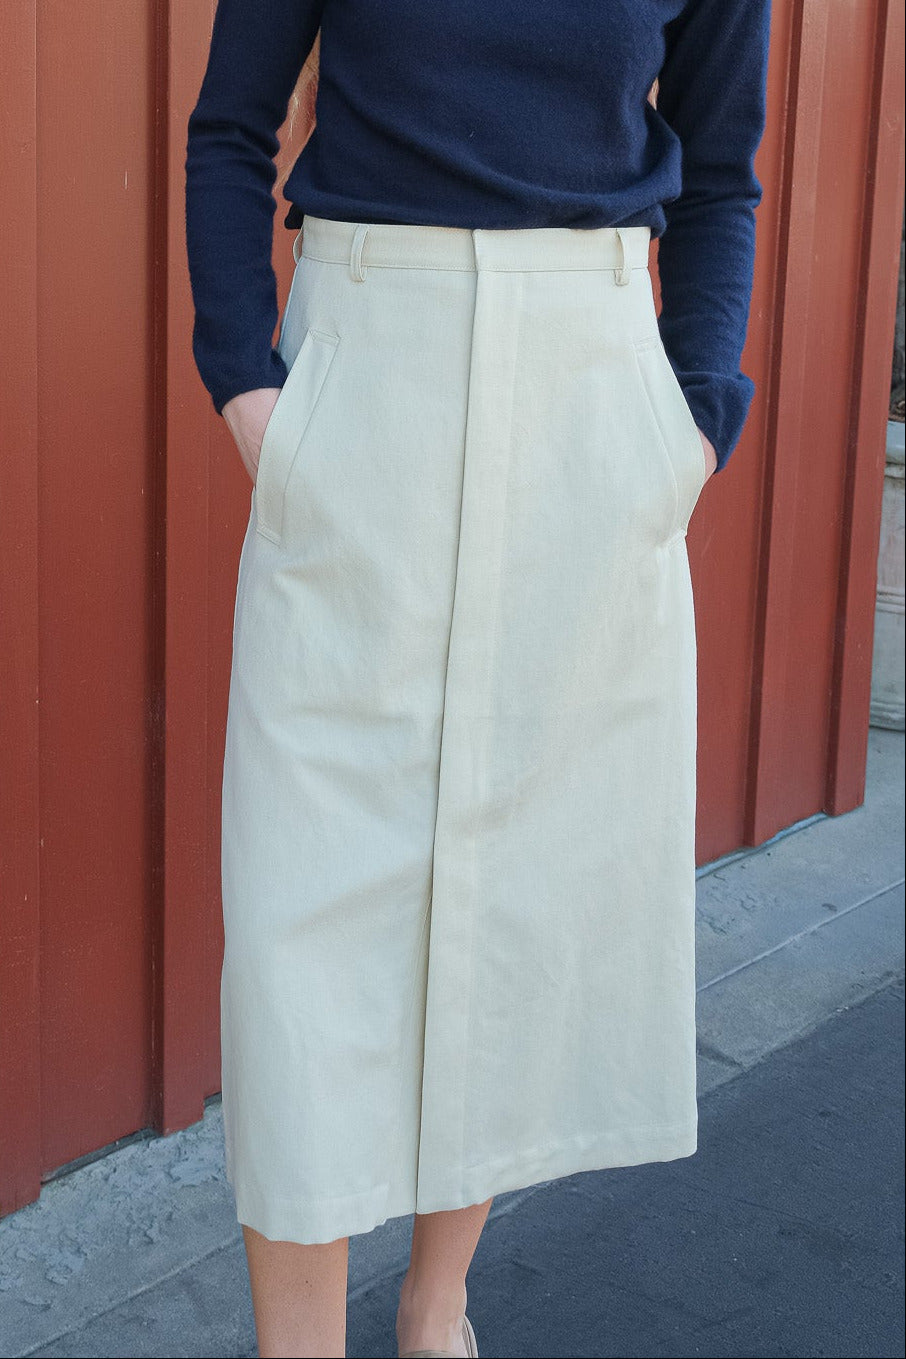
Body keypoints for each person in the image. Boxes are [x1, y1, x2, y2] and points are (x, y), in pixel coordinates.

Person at [185, 3, 771, 1355]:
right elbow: (228, 131)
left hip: (589, 397)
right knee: (303, 900)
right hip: (364, 369)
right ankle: (299, 1343)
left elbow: (722, 170)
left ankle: (438, 1303)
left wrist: (689, 417)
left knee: (520, 869)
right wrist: (244, 386)